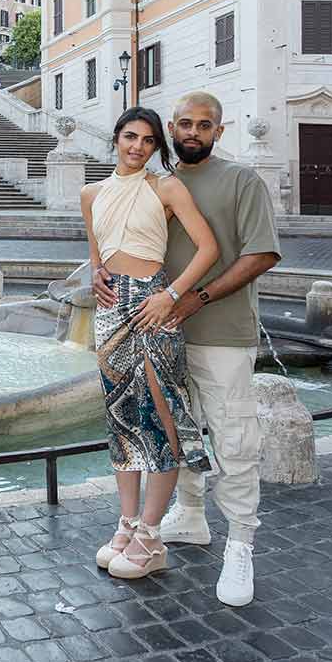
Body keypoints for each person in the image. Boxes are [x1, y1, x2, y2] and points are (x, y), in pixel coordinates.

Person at [94, 91, 281, 607]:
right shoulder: (155, 182)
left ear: (219, 131)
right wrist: (99, 273)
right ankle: (191, 517)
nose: (193, 132)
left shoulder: (241, 180)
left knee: (235, 440)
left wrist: (191, 296)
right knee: (177, 429)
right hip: (156, 333)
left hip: (219, 331)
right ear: (171, 129)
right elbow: (115, 238)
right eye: (184, 124)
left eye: (205, 125)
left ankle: (241, 544)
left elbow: (261, 253)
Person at [81, 107, 219, 583]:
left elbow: (209, 248)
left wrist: (173, 294)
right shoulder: (91, 193)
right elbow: (97, 256)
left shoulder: (165, 187)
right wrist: (96, 276)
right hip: (109, 310)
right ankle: (126, 522)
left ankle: (151, 534)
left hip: (154, 306)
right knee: (120, 419)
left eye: (147, 140)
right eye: (129, 137)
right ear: (115, 139)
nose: (137, 146)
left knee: (160, 416)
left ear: (157, 146)